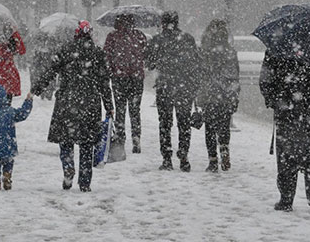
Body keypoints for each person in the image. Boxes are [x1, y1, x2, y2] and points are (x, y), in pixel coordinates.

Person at [31, 20, 114, 192]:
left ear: (76, 34)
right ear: (89, 34)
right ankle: (85, 182)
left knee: (66, 140)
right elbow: (104, 82)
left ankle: (68, 167)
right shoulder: (97, 54)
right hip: (90, 103)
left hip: (67, 101)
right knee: (86, 144)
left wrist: (35, 90)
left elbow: (50, 71)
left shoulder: (66, 50)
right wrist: (109, 105)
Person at [259, 51, 310, 215]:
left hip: (288, 110)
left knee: (287, 156)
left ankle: (286, 199)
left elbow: (266, 80)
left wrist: (276, 99)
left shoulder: (278, 47)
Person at [146, 11, 201, 172]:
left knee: (165, 123)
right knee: (184, 123)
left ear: (163, 23)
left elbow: (149, 64)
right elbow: (196, 63)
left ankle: (167, 158)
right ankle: (183, 155)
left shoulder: (157, 40)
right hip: (184, 87)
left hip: (165, 86)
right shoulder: (188, 39)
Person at [196, 19, 240, 172]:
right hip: (226, 94)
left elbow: (200, 74)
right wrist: (234, 95)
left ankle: (213, 160)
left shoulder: (205, 51)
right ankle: (224, 148)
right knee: (224, 126)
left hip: (210, 94)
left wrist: (199, 95)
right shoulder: (230, 52)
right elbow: (235, 75)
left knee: (210, 128)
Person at [103, 14, 148, 154]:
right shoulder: (140, 35)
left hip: (119, 77)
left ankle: (120, 138)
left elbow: (106, 56)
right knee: (135, 110)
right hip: (136, 78)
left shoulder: (112, 36)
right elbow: (146, 54)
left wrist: (111, 71)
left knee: (120, 109)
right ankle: (136, 137)